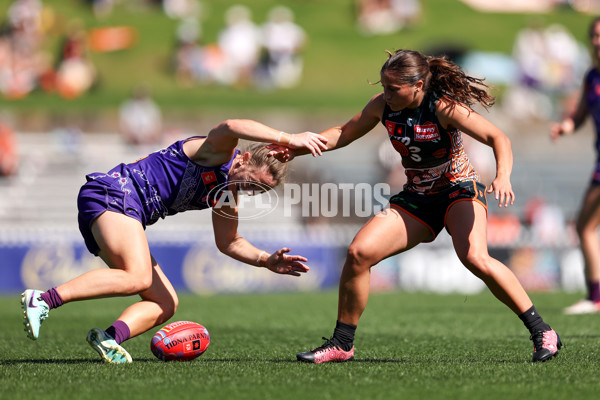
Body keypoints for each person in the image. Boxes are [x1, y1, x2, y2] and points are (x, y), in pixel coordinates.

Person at [270, 49, 562, 363]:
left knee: (475, 257)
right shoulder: (382, 107)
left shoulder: (443, 107)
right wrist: (294, 148)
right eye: (383, 87)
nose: (386, 94)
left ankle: (542, 331)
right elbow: (343, 133)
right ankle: (342, 344)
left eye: (393, 89)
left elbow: (498, 137)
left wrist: (503, 176)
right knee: (359, 253)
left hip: (458, 189)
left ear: (418, 86)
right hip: (417, 198)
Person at [21, 119, 328, 363]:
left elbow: (229, 242)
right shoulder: (217, 153)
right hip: (115, 193)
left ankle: (110, 337)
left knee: (165, 303)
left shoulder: (226, 194)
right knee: (137, 276)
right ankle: (42, 300)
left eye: (256, 191)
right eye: (251, 182)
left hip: (125, 209)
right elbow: (231, 126)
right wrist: (290, 138)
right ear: (245, 158)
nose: (247, 190)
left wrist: (265, 260)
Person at [551, 17, 600, 315]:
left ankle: (595, 298)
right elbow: (580, 114)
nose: (598, 40)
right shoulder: (592, 76)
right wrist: (566, 126)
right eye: (594, 35)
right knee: (585, 227)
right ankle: (595, 297)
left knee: (586, 226)